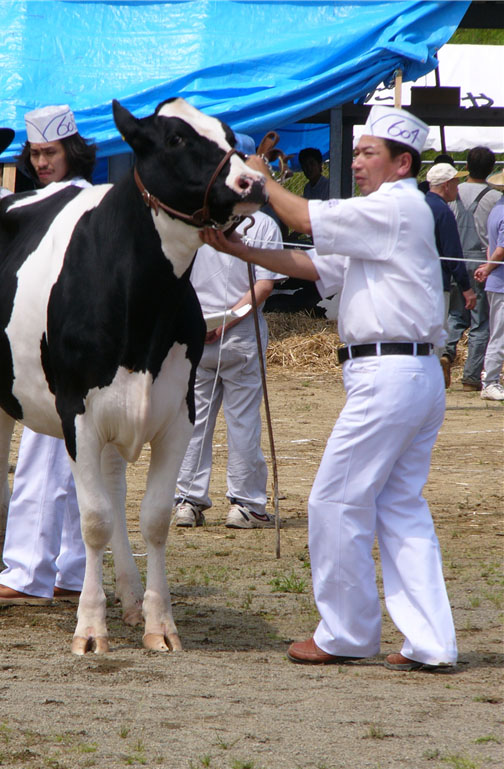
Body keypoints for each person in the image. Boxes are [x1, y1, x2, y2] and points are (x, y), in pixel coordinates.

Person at [202, 105, 457, 671]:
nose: (357, 162)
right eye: (358, 151)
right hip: (408, 374)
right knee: (398, 507)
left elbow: (306, 220)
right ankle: (431, 643)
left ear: (402, 163)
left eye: (369, 153)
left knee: (335, 501)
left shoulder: (396, 205)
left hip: (388, 374)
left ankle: (346, 633)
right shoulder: (387, 216)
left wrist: (258, 174)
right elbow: (313, 264)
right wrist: (237, 250)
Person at [0, 104, 96, 605]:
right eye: (35, 153)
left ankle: (28, 573)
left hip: (57, 345)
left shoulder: (73, 200)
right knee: (84, 458)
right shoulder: (81, 199)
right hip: (79, 343)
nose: (41, 161)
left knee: (44, 454)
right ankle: (72, 571)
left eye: (50, 151)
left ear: (71, 151)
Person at [175, 138, 284, 528]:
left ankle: (188, 499)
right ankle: (246, 503)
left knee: (195, 419)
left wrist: (207, 320)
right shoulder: (264, 223)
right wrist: (227, 319)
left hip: (204, 330)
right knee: (240, 420)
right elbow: (263, 287)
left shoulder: (196, 218)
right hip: (232, 333)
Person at [443, 147, 501, 391]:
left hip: (454, 258)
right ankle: (471, 377)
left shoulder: (451, 191)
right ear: (490, 169)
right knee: (480, 322)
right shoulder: (495, 198)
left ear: (466, 165)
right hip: (481, 263)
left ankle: (445, 353)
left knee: (455, 314)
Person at [424, 162, 476, 385]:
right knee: (436, 332)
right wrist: (466, 288)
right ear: (446, 185)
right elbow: (452, 253)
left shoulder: (418, 205)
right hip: (436, 281)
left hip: (413, 279)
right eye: (456, 181)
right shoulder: (443, 211)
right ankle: (431, 382)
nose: (458, 185)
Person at [475, 170, 504, 401]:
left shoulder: (495, 210)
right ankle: (490, 381)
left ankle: (491, 379)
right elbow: (501, 249)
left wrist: (487, 267)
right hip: (501, 281)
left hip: (497, 282)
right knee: (500, 335)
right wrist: (488, 268)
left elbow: (490, 245)